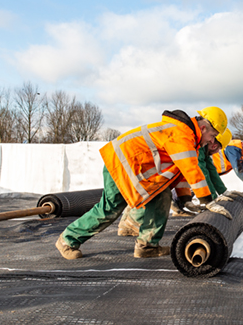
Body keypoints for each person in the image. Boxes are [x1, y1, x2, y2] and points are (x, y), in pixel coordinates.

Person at [55, 107, 229, 260]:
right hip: (121, 165)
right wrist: (207, 200)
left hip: (132, 168)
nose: (212, 142)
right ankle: (67, 240)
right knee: (109, 208)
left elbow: (181, 172)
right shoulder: (181, 134)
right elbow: (191, 169)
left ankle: (147, 246)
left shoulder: (187, 137)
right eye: (212, 136)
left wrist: (185, 199)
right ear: (204, 127)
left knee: (162, 196)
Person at [117, 128, 234, 236]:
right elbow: (202, 173)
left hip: (148, 165)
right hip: (145, 164)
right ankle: (131, 225)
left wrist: (222, 192)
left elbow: (210, 170)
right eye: (219, 148)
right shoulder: (197, 147)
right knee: (157, 194)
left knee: (153, 192)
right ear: (214, 145)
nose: (218, 151)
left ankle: (127, 224)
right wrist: (211, 199)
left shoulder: (202, 148)